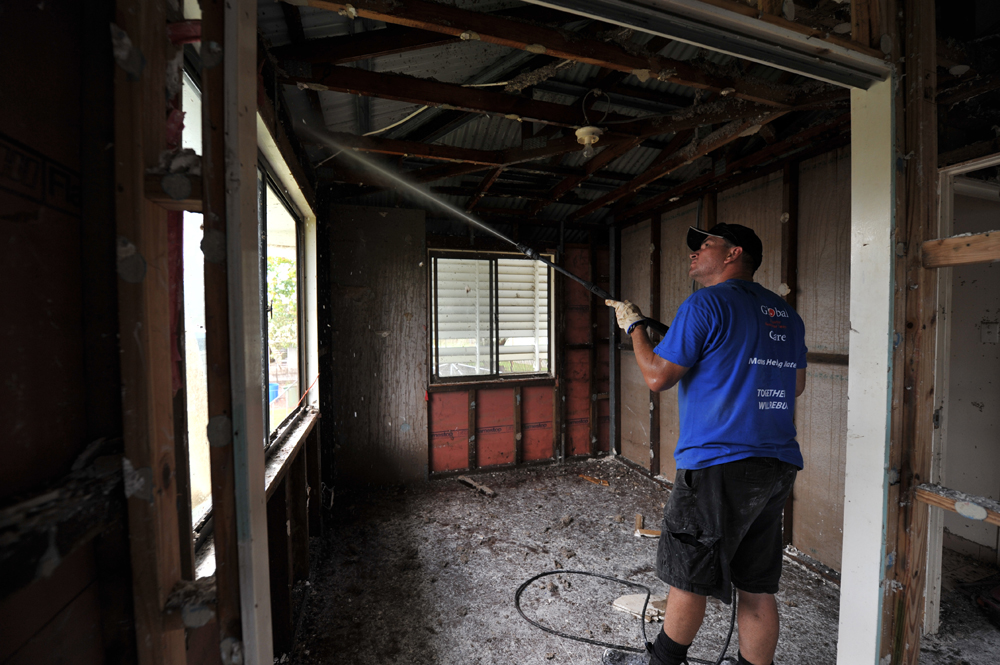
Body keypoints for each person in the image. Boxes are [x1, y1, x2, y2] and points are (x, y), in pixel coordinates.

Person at [604, 224, 807, 665]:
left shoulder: (705, 303)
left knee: (688, 575)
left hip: (719, 463)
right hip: (775, 464)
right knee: (756, 586)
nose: (695, 251)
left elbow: (657, 376)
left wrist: (635, 327)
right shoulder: (785, 315)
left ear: (734, 253)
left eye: (705, 245)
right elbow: (796, 384)